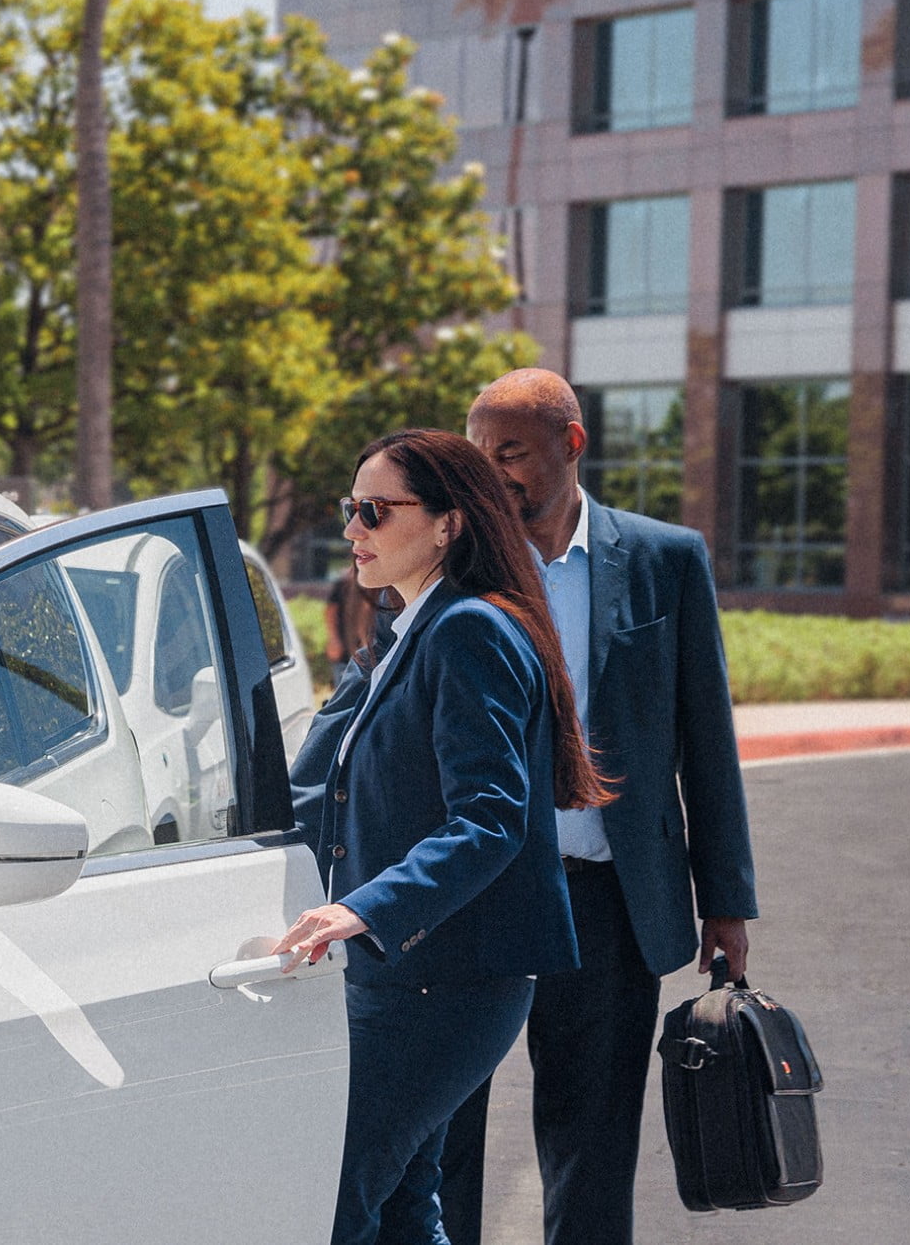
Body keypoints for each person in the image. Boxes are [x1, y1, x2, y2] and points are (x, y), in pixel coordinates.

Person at [424, 370, 760, 1245]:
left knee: (592, 1147)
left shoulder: (664, 560)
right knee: (444, 1141)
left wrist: (724, 897)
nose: (495, 477)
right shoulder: (447, 564)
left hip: (607, 903)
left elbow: (705, 736)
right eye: (480, 457)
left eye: (513, 455)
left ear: (571, 446)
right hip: (471, 901)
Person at [273, 427, 612, 1245]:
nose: (351, 529)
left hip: (445, 984)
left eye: (373, 511)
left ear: (448, 524)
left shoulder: (470, 631)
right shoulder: (407, 632)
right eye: (348, 509)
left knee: (332, 1200)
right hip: (405, 977)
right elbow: (319, 790)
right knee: (398, 1209)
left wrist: (363, 909)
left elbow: (492, 816)